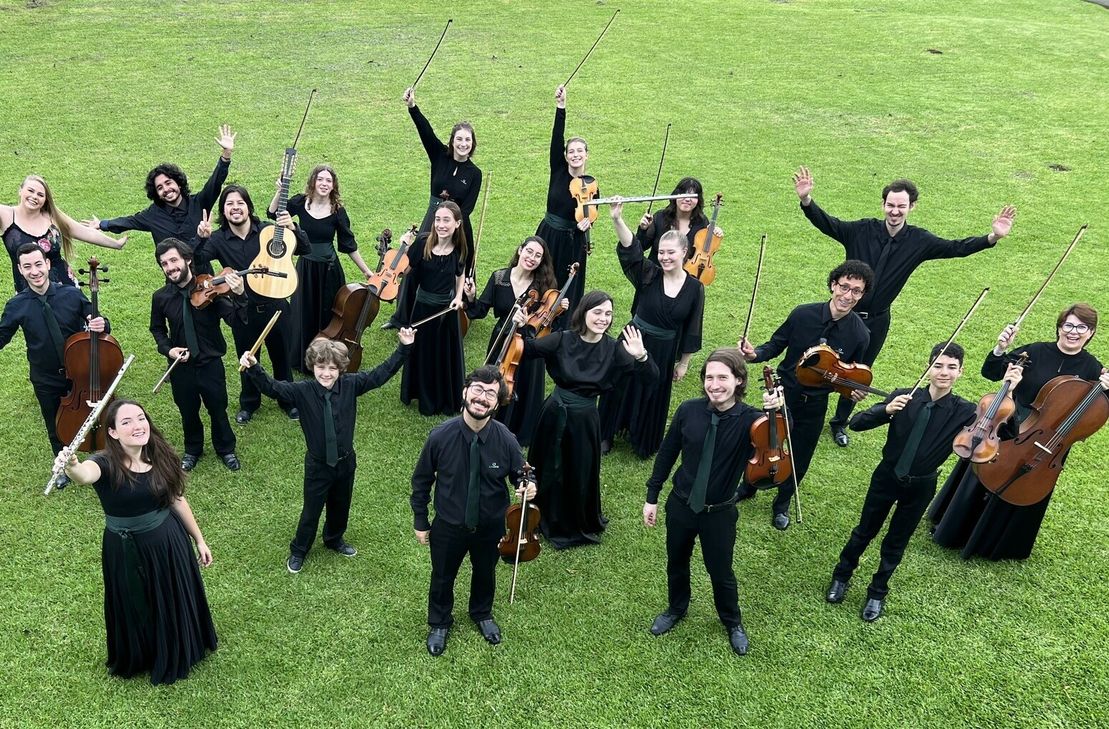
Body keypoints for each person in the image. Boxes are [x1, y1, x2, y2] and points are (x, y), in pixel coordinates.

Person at [792, 166, 1016, 448]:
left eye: (901, 206)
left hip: (876, 321)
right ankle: (803, 408)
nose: (895, 211)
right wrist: (807, 201)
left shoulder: (920, 241)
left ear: (912, 207)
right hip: (843, 315)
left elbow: (954, 247)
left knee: (858, 372)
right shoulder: (860, 230)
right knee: (822, 361)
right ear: (883, 204)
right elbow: (829, 223)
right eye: (890, 205)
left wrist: (991, 238)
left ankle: (839, 423)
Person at [53, 399, 217, 685]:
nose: (137, 426)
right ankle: (144, 654)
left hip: (169, 542)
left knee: (171, 595)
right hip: (125, 549)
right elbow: (84, 476)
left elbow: (177, 499)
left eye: (140, 418)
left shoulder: (160, 454)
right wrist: (72, 465)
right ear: (113, 432)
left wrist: (199, 539)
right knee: (133, 601)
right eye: (126, 422)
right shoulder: (103, 462)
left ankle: (178, 646)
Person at [929, 305, 1109, 560]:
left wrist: (1106, 389)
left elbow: (1097, 409)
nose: (1073, 332)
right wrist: (1000, 350)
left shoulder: (1093, 368)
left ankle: (997, 544)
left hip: (1051, 442)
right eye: (1068, 325)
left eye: (1082, 327)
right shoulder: (1034, 351)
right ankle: (955, 529)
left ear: (1090, 333)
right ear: (1059, 327)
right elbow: (991, 372)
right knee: (984, 468)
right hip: (1014, 427)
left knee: (1027, 484)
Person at [826, 342, 981, 622]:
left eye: (951, 367)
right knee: (864, 531)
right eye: (938, 366)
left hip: (921, 485)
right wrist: (886, 410)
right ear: (928, 368)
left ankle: (877, 592)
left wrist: (1010, 385)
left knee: (897, 541)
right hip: (886, 476)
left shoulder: (966, 411)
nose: (943, 373)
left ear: (960, 372)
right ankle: (841, 576)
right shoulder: (904, 396)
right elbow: (857, 422)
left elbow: (998, 431)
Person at [644, 348, 782, 656]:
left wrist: (776, 412)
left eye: (723, 377)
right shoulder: (688, 410)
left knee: (720, 570)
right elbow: (667, 454)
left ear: (738, 381)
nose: (715, 384)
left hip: (718, 513)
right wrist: (652, 497)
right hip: (681, 505)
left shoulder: (753, 421)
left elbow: (778, 444)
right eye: (709, 377)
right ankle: (676, 608)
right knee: (676, 562)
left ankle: (732, 622)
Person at [241, 330, 413, 573]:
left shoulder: (351, 385)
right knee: (311, 510)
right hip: (318, 466)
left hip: (345, 462)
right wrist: (254, 368)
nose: (326, 373)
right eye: (321, 367)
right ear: (313, 367)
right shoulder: (302, 391)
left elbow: (380, 375)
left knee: (341, 504)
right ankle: (299, 550)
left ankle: (334, 539)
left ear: (341, 369)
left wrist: (404, 347)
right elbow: (273, 388)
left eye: (333, 368)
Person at [410, 366, 536, 657]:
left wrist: (528, 486)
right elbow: (421, 481)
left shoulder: (506, 439)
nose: (482, 398)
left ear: (497, 402)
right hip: (448, 524)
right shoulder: (440, 436)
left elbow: (522, 474)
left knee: (485, 572)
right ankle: (439, 621)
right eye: (478, 389)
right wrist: (420, 520)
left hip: (491, 525)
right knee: (442, 575)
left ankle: (481, 613)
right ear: (465, 392)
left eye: (490, 393)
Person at [738, 260, 874, 529]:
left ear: (862, 294)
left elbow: (849, 378)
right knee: (763, 443)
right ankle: (749, 486)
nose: (848, 296)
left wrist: (853, 392)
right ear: (833, 285)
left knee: (800, 455)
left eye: (856, 291)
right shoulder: (803, 315)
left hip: (815, 403)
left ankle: (782, 502)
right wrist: (755, 355)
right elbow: (776, 344)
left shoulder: (860, 334)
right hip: (782, 395)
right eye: (844, 287)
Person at [522, 290, 658, 548]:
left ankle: (573, 520)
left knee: (579, 469)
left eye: (608, 314)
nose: (603, 318)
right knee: (547, 465)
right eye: (597, 312)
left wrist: (641, 356)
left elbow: (651, 379)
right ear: (583, 313)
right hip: (554, 413)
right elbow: (525, 349)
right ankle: (539, 514)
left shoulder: (615, 350)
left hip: (585, 418)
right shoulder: (561, 340)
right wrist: (521, 326)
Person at [194, 184, 305, 423]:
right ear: (223, 211)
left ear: (248, 207)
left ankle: (287, 398)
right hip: (242, 310)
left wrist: (292, 228)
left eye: (240, 203)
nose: (235, 208)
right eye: (229, 204)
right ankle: (250, 402)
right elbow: (197, 260)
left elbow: (304, 248)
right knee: (247, 356)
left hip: (276, 306)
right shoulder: (217, 239)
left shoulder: (268, 231)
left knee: (282, 356)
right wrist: (201, 239)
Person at [601, 200, 704, 458]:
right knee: (619, 385)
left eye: (671, 252)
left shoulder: (694, 288)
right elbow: (631, 249)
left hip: (664, 348)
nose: (665, 257)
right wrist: (617, 219)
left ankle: (641, 438)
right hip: (634, 336)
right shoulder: (649, 273)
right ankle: (605, 433)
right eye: (661, 252)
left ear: (684, 252)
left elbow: (693, 327)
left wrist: (683, 363)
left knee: (653, 391)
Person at [383, 89, 481, 331]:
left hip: (458, 223)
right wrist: (413, 106)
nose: (463, 144)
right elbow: (425, 132)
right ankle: (401, 316)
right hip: (433, 218)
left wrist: (451, 225)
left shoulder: (474, 173)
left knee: (458, 264)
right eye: (459, 139)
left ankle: (457, 309)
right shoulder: (439, 156)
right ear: (452, 141)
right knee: (416, 263)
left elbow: (466, 208)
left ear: (472, 144)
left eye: (467, 140)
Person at [0, 243, 111, 458]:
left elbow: (99, 321)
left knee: (95, 412)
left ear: (48, 264)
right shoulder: (16, 305)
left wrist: (101, 324)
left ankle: (104, 452)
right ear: (20, 270)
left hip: (81, 371)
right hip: (45, 377)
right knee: (54, 423)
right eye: (28, 266)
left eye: (38, 264)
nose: (35, 271)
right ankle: (62, 464)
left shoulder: (71, 294)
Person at [267, 165, 373, 375]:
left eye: (328, 181)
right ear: (313, 182)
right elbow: (273, 213)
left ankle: (326, 357)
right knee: (303, 311)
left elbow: (348, 244)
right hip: (305, 268)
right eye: (320, 179)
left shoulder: (337, 211)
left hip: (329, 271)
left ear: (333, 186)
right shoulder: (300, 202)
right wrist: (280, 190)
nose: (324, 184)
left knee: (328, 315)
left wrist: (367, 271)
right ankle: (303, 357)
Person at [88, 124, 236, 273]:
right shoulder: (153, 215)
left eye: (168, 183)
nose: (166, 189)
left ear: (178, 183)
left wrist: (226, 154)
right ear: (156, 193)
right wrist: (101, 224)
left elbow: (215, 182)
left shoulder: (199, 202)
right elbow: (128, 221)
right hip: (174, 281)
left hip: (204, 277)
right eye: (160, 188)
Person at [149, 238, 243, 472]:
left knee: (218, 408)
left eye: (173, 260)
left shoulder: (212, 289)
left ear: (187, 260)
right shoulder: (161, 297)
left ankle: (226, 448)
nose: (170, 267)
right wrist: (168, 349)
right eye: (164, 263)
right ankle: (193, 448)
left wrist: (240, 295)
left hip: (210, 363)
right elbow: (157, 329)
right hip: (181, 367)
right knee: (187, 410)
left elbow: (235, 320)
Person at [464, 235, 563, 446]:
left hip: (527, 342)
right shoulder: (499, 278)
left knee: (524, 383)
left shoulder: (543, 285)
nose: (532, 258)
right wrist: (471, 297)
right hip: (501, 339)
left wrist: (556, 309)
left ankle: (521, 431)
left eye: (538, 256)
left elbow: (546, 321)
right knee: (497, 381)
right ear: (520, 250)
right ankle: (491, 422)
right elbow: (479, 311)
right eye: (529, 252)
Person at [398, 201, 468, 417]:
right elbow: (405, 271)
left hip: (446, 312)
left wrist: (458, 297)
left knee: (443, 355)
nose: (440, 224)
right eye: (438, 219)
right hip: (422, 308)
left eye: (446, 220)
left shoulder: (459, 249)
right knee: (424, 353)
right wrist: (403, 250)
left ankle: (443, 395)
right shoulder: (422, 243)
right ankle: (422, 393)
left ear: (457, 223)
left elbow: (460, 274)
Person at [2, 175, 126, 292]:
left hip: (63, 285)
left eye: (40, 195)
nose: (34, 196)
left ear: (45, 200)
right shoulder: (6, 215)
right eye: (30, 191)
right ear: (20, 190)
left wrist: (116, 244)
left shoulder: (52, 217)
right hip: (28, 287)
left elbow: (85, 232)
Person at [533, 85, 595, 319]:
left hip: (573, 239)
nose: (575, 155)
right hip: (549, 232)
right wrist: (561, 107)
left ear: (587, 155)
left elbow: (591, 215)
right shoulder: (558, 169)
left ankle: (565, 320)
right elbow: (556, 138)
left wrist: (587, 224)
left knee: (569, 281)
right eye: (571, 151)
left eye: (580, 151)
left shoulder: (591, 184)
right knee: (544, 275)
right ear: (566, 155)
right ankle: (537, 314)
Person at [632, 177, 722, 265]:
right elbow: (640, 247)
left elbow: (704, 254)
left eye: (693, 196)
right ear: (675, 196)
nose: (687, 199)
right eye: (684, 194)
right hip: (656, 274)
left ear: (698, 200)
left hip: (684, 276)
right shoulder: (660, 217)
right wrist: (643, 229)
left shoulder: (702, 222)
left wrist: (712, 236)